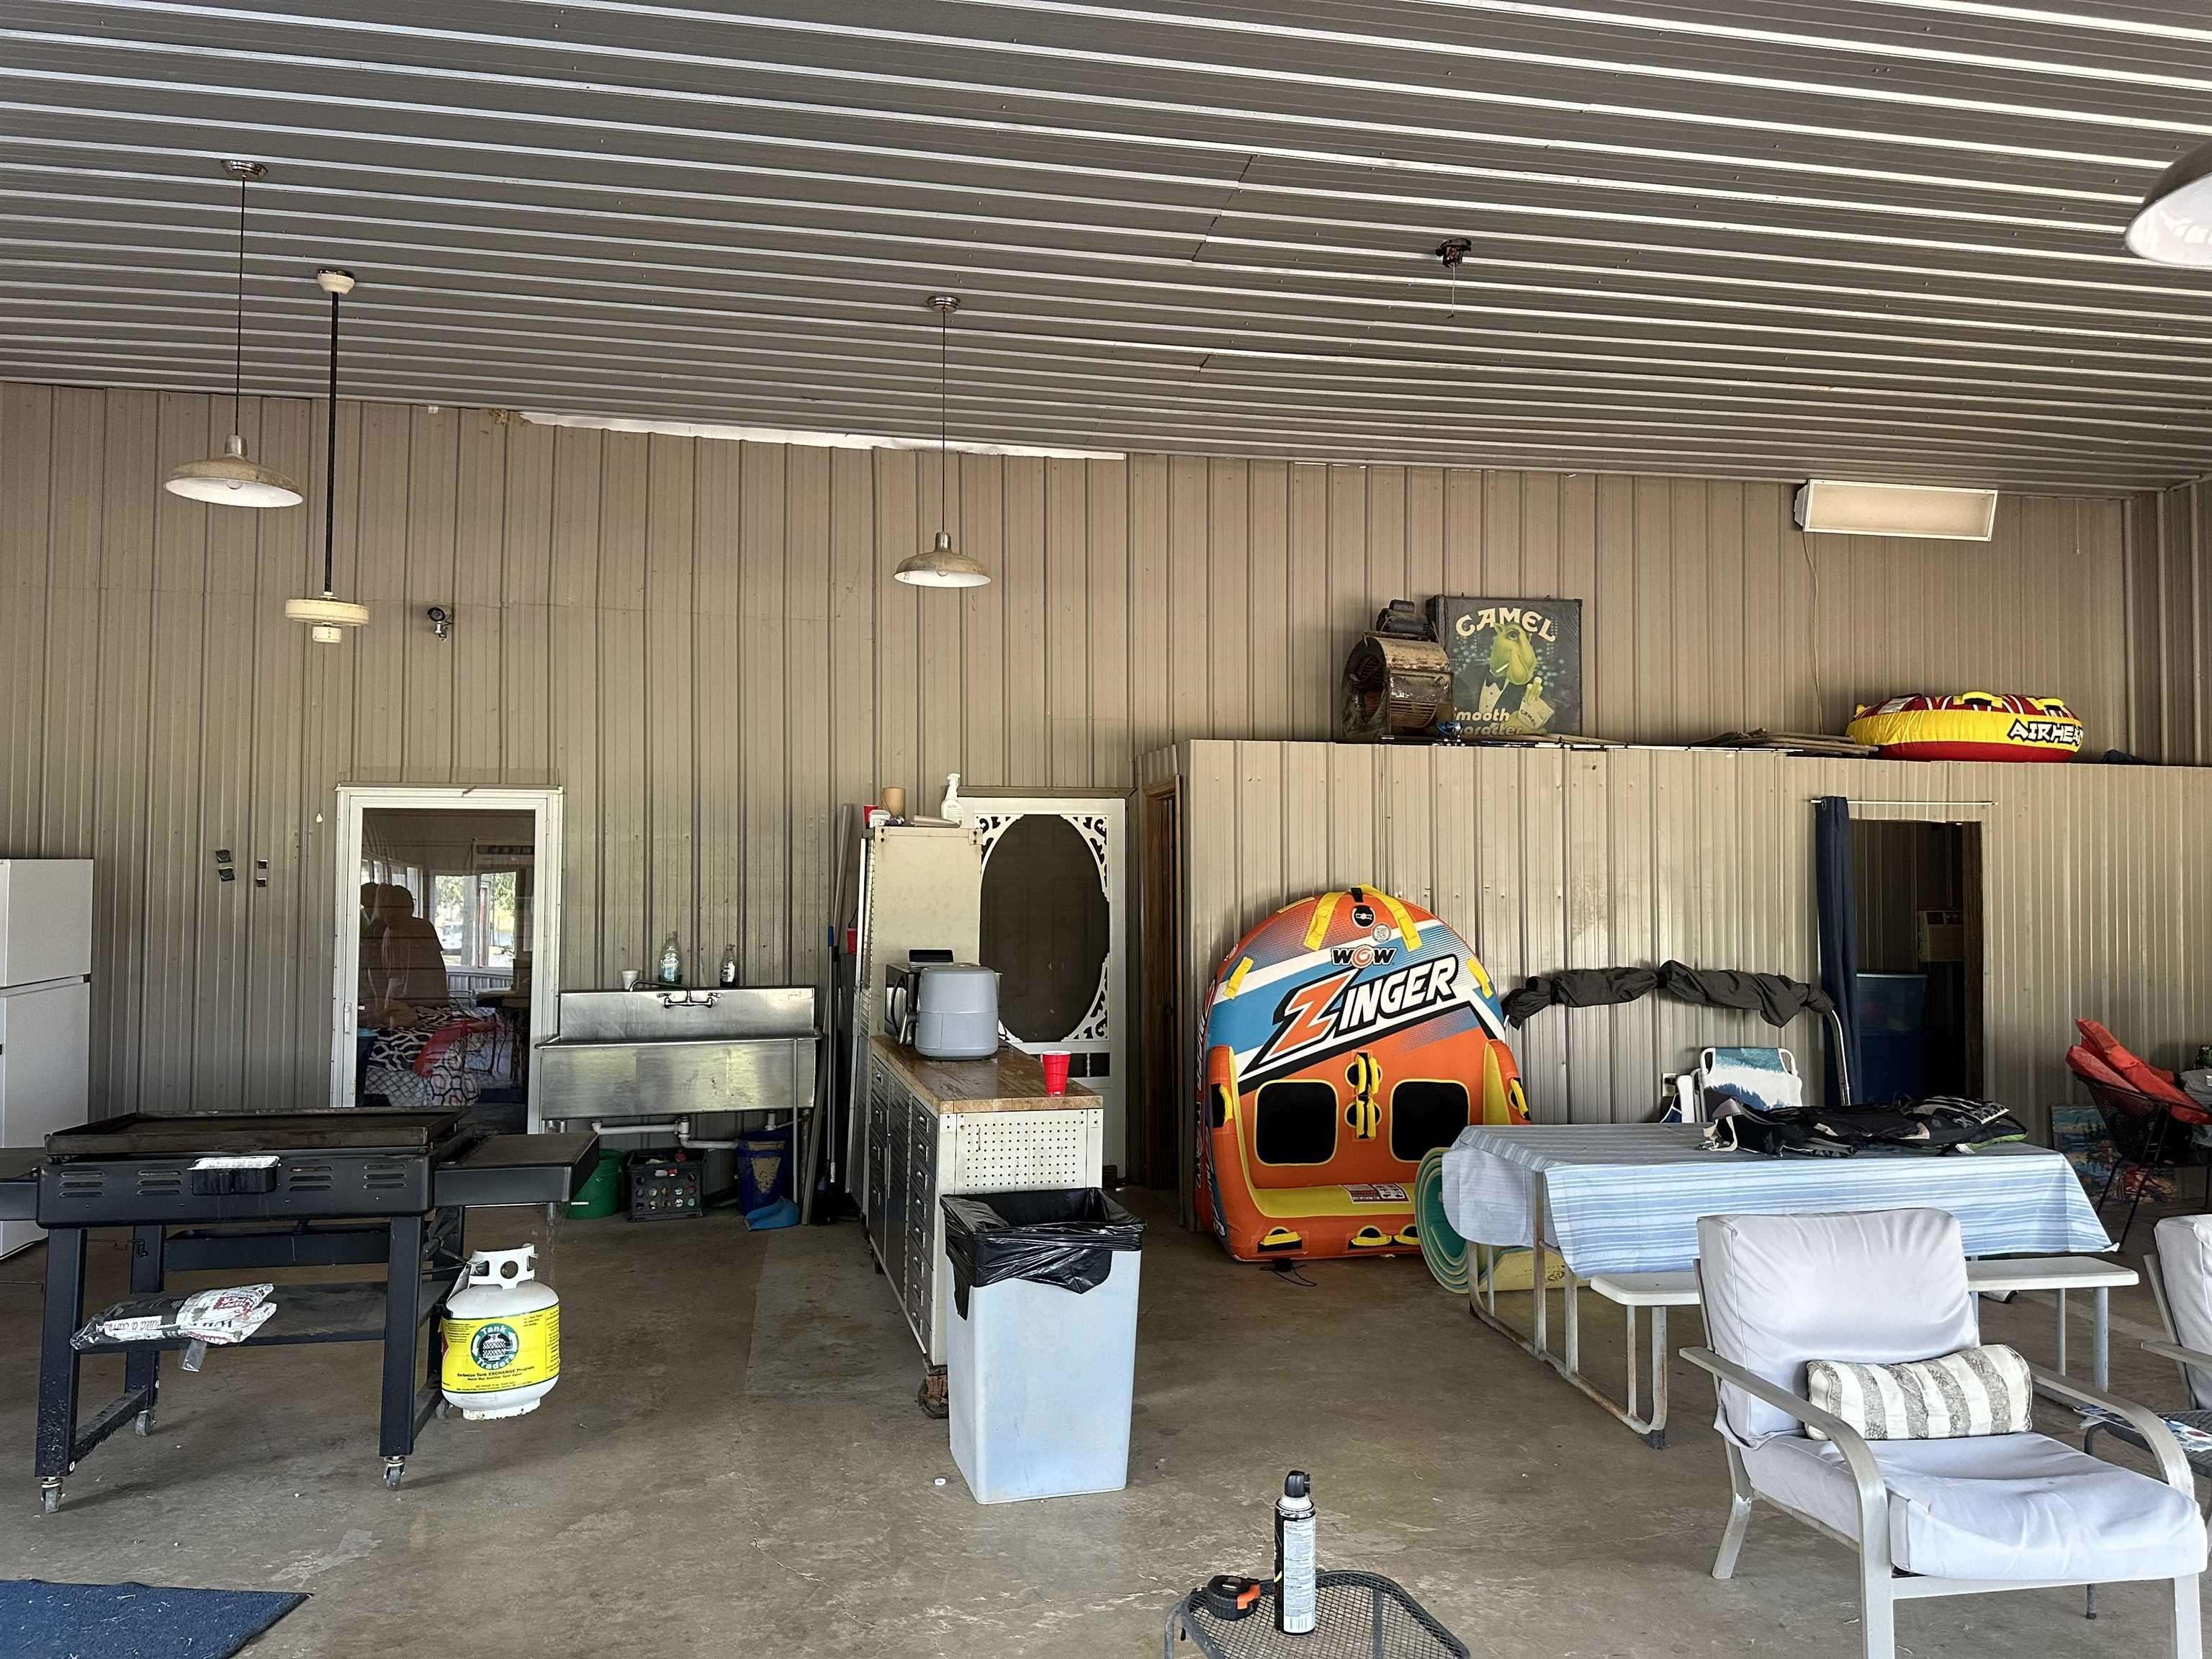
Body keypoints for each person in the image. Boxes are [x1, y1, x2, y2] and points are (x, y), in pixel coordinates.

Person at [380, 886, 451, 1007]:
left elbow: (387, 970)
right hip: (424, 994)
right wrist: (443, 997)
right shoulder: (422, 927)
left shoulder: (388, 931)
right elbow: (437, 966)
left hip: (395, 994)